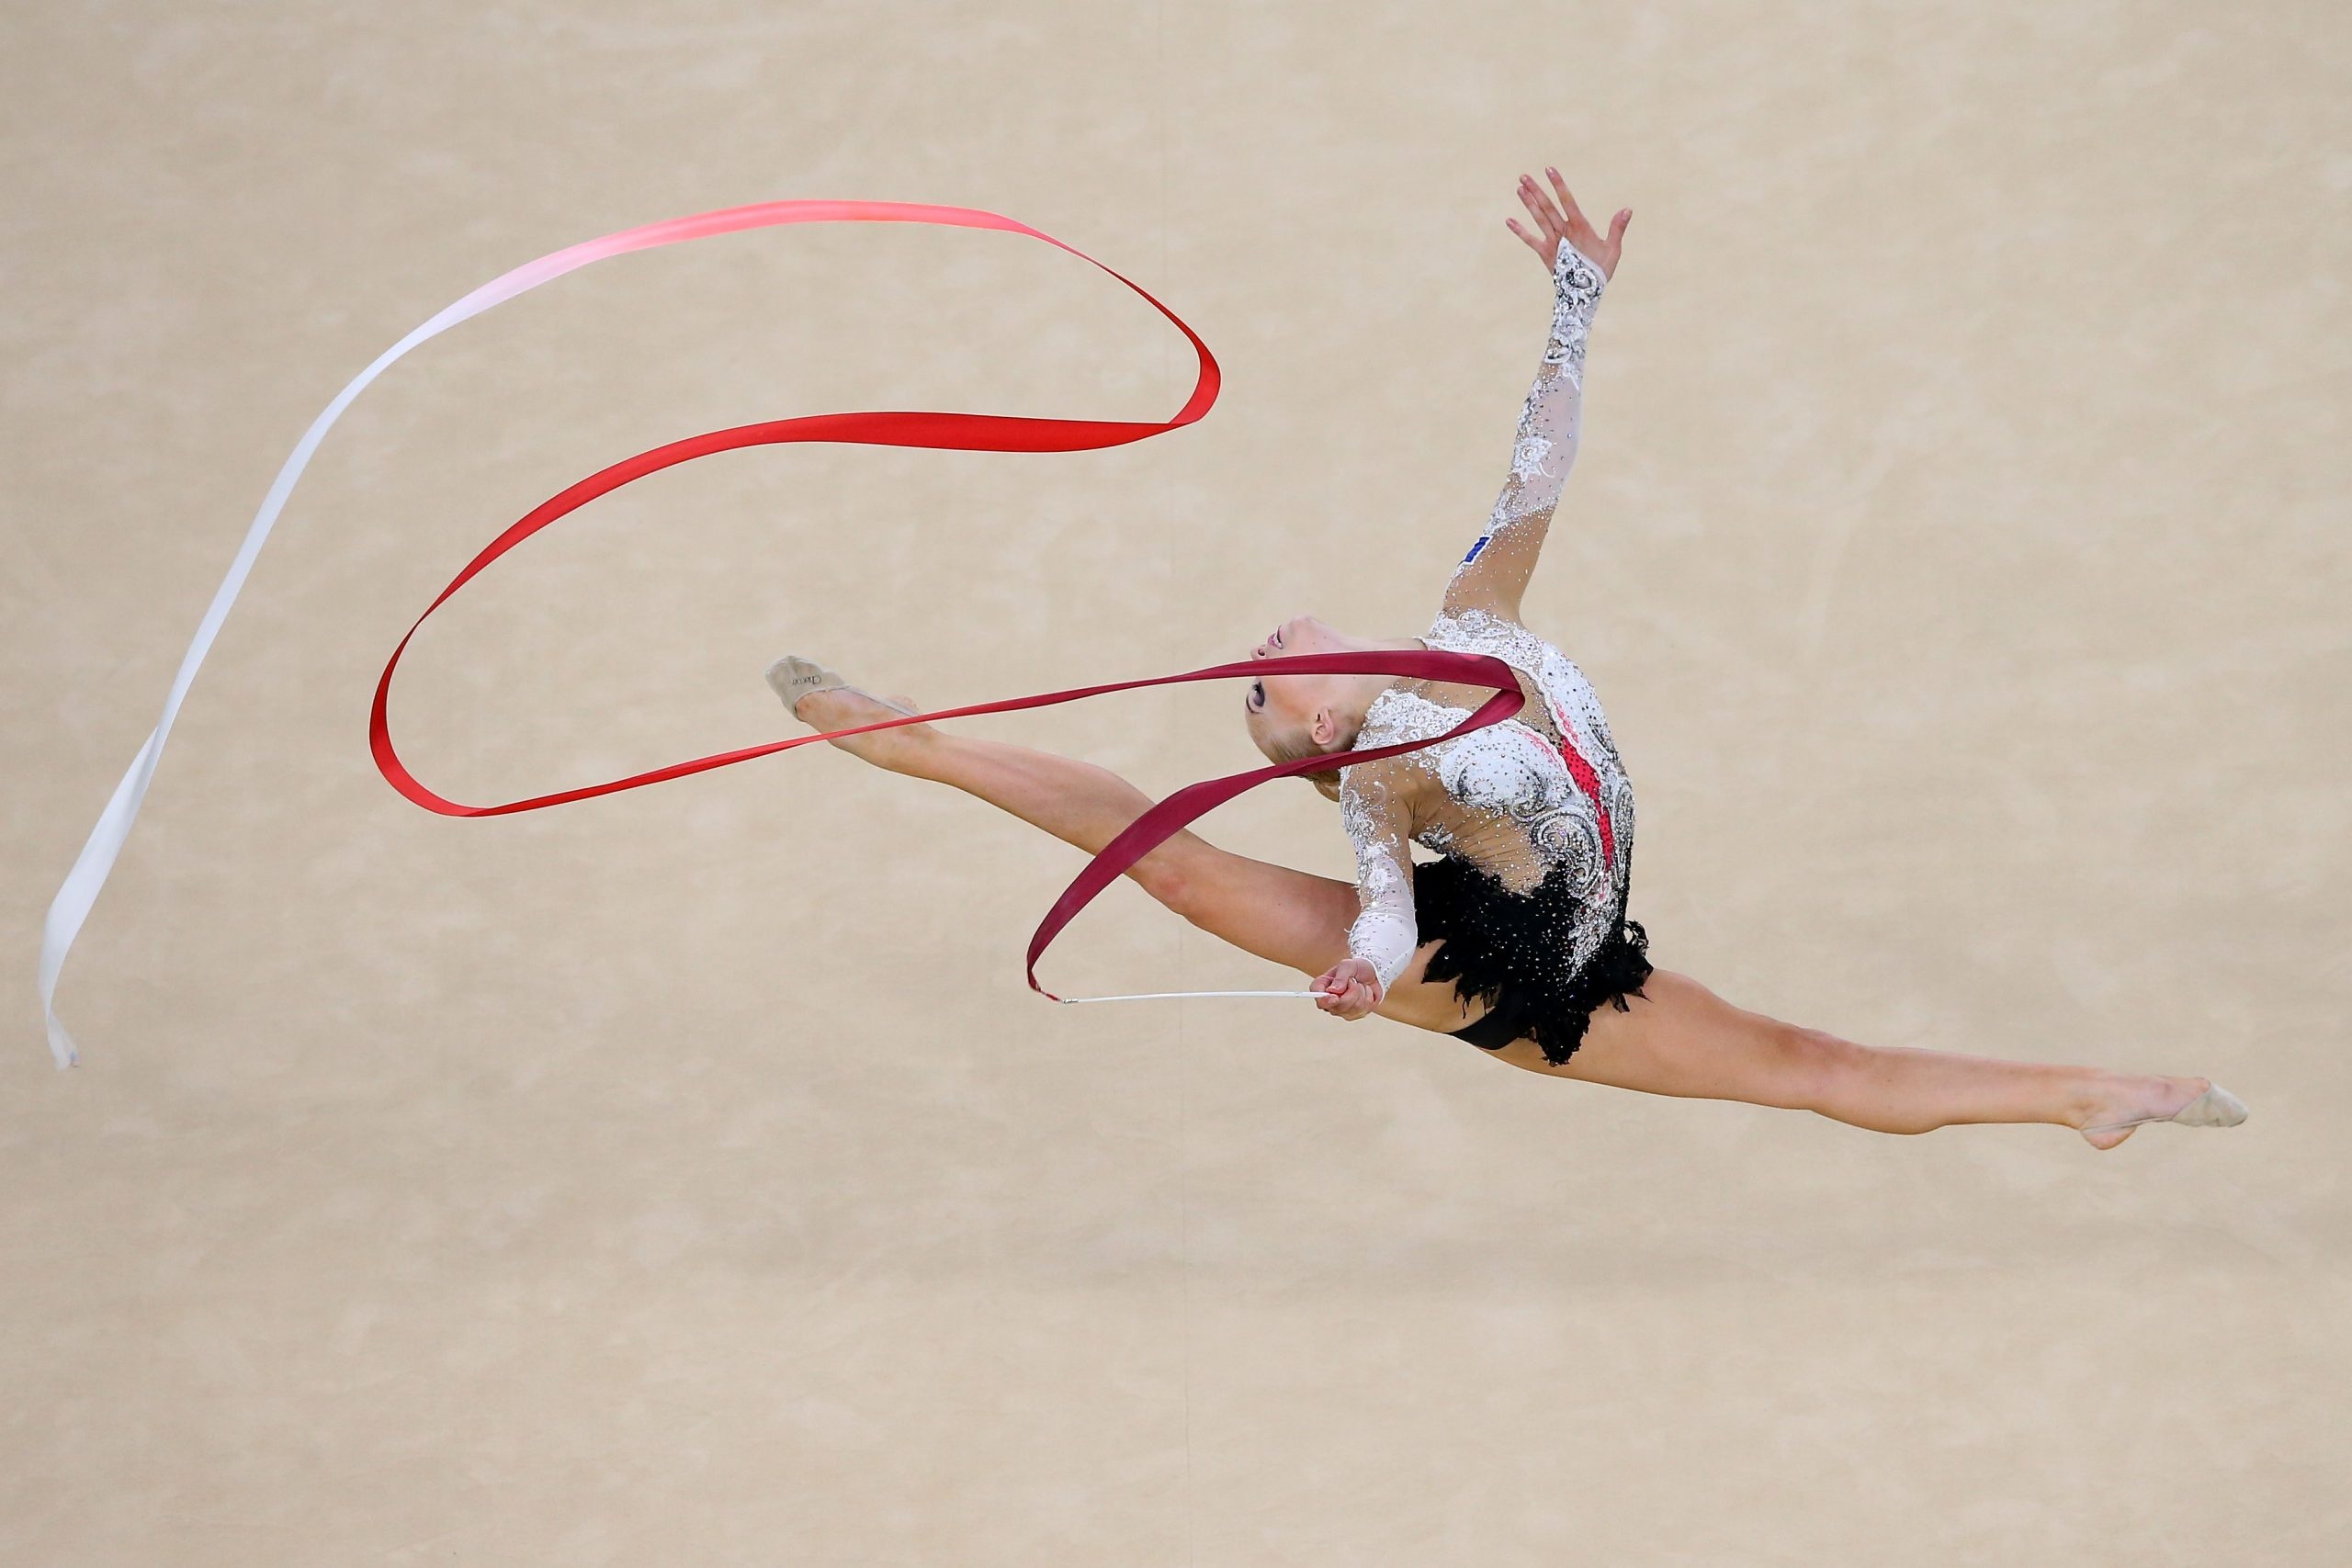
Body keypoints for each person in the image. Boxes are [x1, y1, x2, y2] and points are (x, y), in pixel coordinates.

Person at [766, 165, 2245, 1150]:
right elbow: (1380, 911)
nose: (1266, 655)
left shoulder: (1468, 625)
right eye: (1265, 691)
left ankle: (2091, 1096)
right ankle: (921, 742)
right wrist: (1362, 973)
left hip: (1589, 946)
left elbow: (1538, 469)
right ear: (1317, 735)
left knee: (1822, 1066)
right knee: (1177, 863)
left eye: (1262, 666)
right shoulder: (1381, 788)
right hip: (1497, 983)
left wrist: (1578, 300)